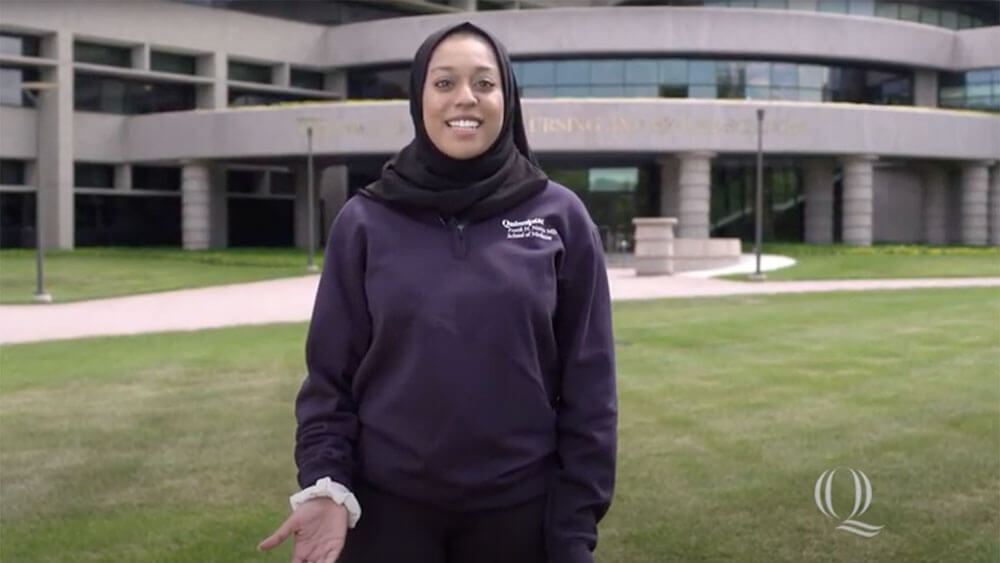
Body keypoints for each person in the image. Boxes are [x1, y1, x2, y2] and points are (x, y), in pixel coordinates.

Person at [259, 21, 616, 563]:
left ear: (508, 97)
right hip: (387, 517)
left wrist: (572, 530)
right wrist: (327, 484)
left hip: (521, 517)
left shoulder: (560, 216)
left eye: (484, 83)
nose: (464, 99)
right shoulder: (364, 221)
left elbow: (591, 393)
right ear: (419, 98)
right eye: (444, 83)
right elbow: (329, 382)